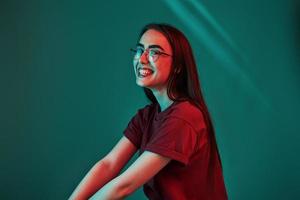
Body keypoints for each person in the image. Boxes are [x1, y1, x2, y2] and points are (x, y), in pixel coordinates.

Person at [69, 23, 228, 200]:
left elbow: (124, 186)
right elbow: (108, 165)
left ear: (177, 66)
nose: (142, 59)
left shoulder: (184, 117)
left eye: (154, 52)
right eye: (139, 50)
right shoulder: (147, 116)